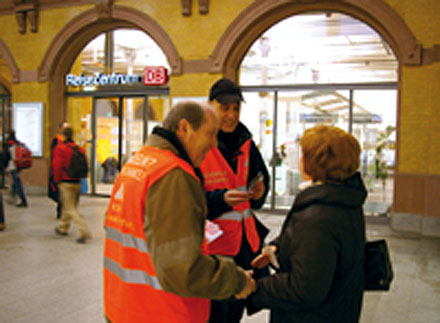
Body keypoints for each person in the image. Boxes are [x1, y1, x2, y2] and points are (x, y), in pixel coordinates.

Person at [103, 101, 256, 323]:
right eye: (210, 134)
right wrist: (237, 281)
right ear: (184, 128)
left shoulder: (137, 164)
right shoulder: (173, 175)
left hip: (124, 307)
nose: (214, 144)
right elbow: (183, 269)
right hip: (162, 312)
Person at [248, 124, 367, 323]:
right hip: (337, 310)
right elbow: (318, 252)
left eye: (304, 154)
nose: (300, 159)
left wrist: (256, 287)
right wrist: (277, 247)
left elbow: (304, 289)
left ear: (316, 163)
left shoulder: (319, 216)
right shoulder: (344, 199)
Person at [199, 78, 270, 323]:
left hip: (242, 245)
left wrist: (260, 190)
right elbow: (189, 199)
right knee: (214, 314)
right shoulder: (199, 143)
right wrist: (221, 200)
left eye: (236, 108)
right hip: (213, 249)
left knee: (234, 311)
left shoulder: (245, 142)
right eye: (225, 108)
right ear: (210, 106)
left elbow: (260, 176)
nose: (231, 115)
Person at [52, 126, 91, 244]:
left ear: (63, 135)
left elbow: (57, 166)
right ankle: (62, 228)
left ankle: (84, 230)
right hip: (77, 182)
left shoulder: (60, 149)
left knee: (70, 208)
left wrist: (56, 180)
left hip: (66, 182)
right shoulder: (80, 149)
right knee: (68, 206)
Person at [49, 122, 70, 219]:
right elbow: (54, 157)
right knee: (59, 193)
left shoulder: (69, 143)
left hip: (67, 172)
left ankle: (62, 213)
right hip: (59, 170)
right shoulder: (56, 140)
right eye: (65, 127)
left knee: (64, 195)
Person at [6, 130, 28, 207]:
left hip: (12, 165)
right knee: (15, 182)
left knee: (17, 183)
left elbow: (7, 156)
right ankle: (12, 196)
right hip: (19, 165)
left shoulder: (8, 144)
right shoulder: (18, 143)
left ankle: (23, 200)